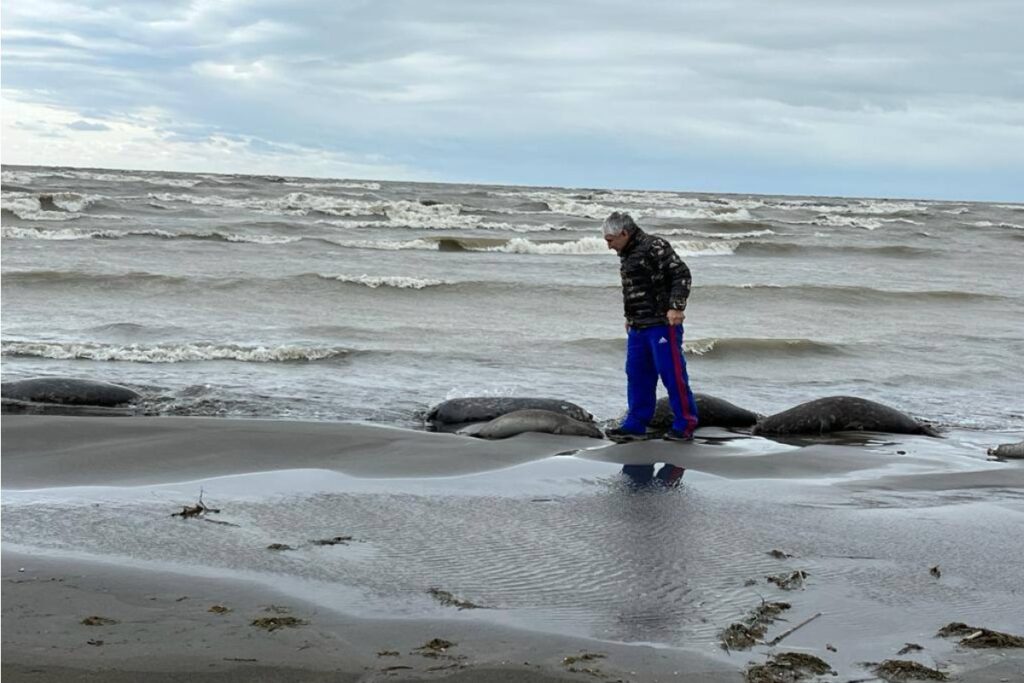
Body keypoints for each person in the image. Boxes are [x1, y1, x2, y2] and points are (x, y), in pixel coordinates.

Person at [603, 211, 699, 468]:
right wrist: (629, 316)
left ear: (625, 233)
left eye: (611, 240)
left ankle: (685, 424)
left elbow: (682, 274)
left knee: (672, 374)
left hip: (662, 324)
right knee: (636, 374)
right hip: (638, 326)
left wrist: (676, 307)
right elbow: (634, 290)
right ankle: (636, 423)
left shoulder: (654, 246)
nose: (608, 245)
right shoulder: (627, 253)